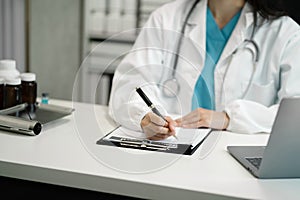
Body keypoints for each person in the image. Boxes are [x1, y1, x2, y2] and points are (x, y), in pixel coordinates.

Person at [108, 0, 300, 140]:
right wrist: (144, 116)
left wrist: (228, 119)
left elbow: (295, 112)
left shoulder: (285, 33)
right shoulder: (166, 18)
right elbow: (130, 82)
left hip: (235, 166)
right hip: (172, 152)